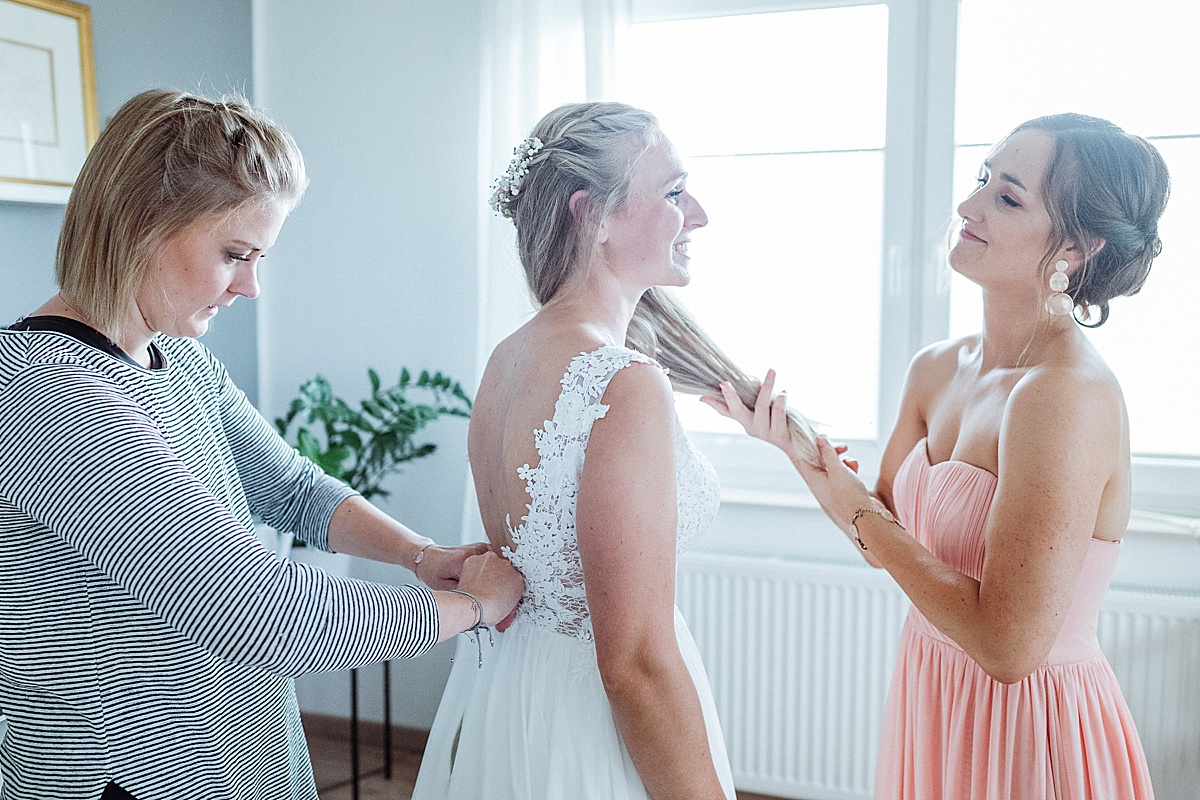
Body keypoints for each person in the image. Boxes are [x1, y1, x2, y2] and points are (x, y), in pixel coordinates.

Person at [0, 88, 523, 800]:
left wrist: (423, 556)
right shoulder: (49, 394)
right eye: (235, 254)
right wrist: (475, 607)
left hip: (237, 750)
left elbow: (292, 489)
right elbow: (262, 612)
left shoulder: (177, 359)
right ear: (141, 224)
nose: (251, 287)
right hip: (127, 775)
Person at [709, 113, 1167, 799]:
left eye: (1007, 197)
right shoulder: (936, 368)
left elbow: (1008, 650)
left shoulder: (1065, 396)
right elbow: (883, 536)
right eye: (983, 179)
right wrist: (788, 443)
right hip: (935, 689)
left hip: (1027, 729)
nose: (967, 206)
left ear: (1075, 247)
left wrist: (870, 522)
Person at [414, 102, 821, 800]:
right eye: (672, 193)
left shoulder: (507, 360)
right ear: (593, 216)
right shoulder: (623, 383)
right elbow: (632, 661)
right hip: (594, 732)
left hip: (519, 704)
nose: (697, 214)